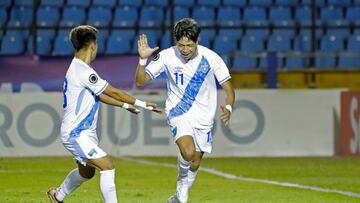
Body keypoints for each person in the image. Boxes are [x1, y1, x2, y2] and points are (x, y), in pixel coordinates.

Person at [47, 25, 162, 203]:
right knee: (107, 166)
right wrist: (142, 103)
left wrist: (125, 105)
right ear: (92, 46)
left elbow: (100, 95)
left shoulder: (78, 68)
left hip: (84, 133)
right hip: (76, 133)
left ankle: (57, 195)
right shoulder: (83, 71)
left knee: (87, 172)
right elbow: (113, 92)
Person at [135, 18, 235, 203]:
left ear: (197, 41)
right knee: (187, 153)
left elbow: (229, 88)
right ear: (175, 42)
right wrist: (142, 59)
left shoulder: (211, 58)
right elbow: (140, 82)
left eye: (189, 45)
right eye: (181, 45)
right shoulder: (167, 56)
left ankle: (177, 199)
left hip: (204, 116)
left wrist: (228, 106)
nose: (185, 49)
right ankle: (182, 182)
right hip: (178, 112)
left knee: (196, 160)